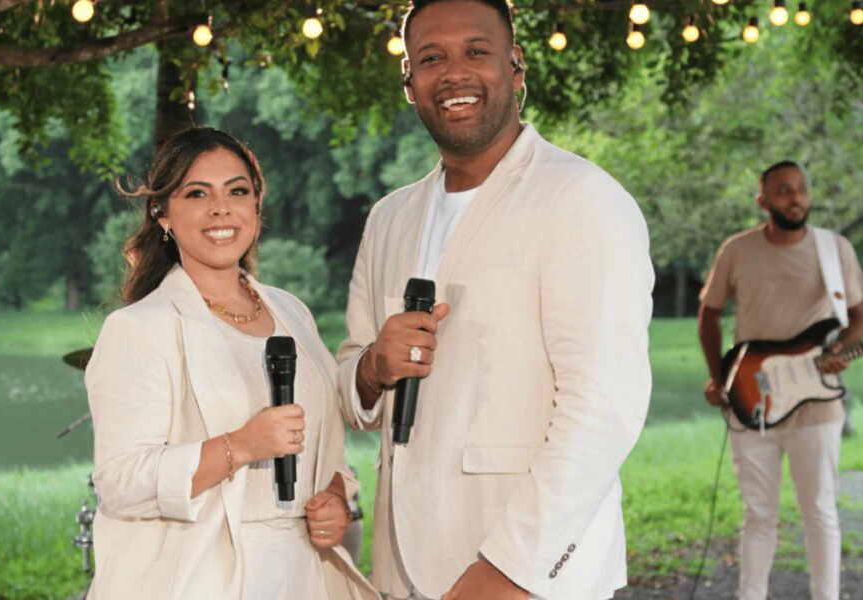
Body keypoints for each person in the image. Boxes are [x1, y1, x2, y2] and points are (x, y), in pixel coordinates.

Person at [334, 1, 654, 598]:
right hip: (402, 568)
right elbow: (352, 392)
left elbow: (603, 407)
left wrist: (510, 567)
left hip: (524, 574)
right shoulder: (389, 218)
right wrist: (374, 367)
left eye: (476, 51)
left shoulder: (583, 199)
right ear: (409, 83)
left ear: (516, 66)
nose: (454, 72)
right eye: (432, 58)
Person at [85, 127, 377, 600]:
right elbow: (120, 483)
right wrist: (240, 446)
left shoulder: (293, 313)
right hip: (201, 580)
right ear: (163, 214)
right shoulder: (139, 328)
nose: (221, 209)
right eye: (197, 194)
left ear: (256, 206)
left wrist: (336, 497)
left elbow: (329, 450)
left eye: (237, 191)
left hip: (302, 576)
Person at [698, 160, 863, 600]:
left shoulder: (835, 249)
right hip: (751, 399)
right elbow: (708, 314)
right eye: (784, 190)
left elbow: (858, 318)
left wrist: (840, 352)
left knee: (820, 512)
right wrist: (718, 378)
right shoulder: (737, 250)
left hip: (816, 406)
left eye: (801, 188)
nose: (795, 197)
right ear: (763, 200)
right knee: (757, 515)